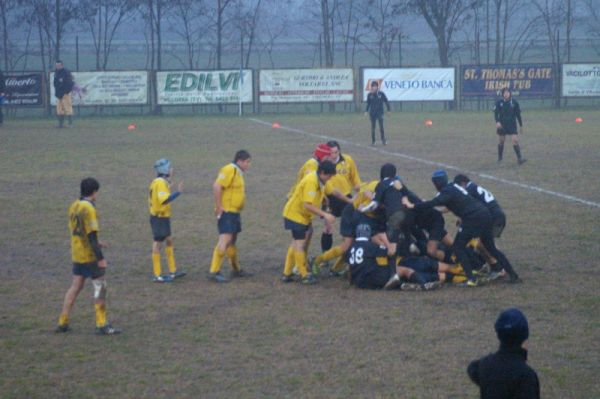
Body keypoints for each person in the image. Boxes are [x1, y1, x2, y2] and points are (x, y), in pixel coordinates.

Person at [403, 170, 520, 287]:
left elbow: (434, 202)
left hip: (472, 218)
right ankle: (513, 274)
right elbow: (443, 202)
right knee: (492, 248)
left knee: (458, 247)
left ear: (436, 184)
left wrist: (412, 205)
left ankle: (471, 279)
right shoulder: (452, 187)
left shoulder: (446, 191)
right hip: (484, 214)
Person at [56, 178, 121, 335]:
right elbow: (91, 235)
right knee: (100, 288)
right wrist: (101, 258)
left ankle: (63, 322)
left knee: (75, 287)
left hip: (77, 253)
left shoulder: (74, 206)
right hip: (90, 256)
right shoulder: (89, 209)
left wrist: (98, 243)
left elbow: (80, 231)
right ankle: (101, 324)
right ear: (94, 192)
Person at [282, 161, 336, 284]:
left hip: (299, 215)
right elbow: (307, 205)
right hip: (296, 215)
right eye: (329, 176)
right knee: (300, 244)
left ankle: (287, 273)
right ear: (322, 173)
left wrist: (324, 199)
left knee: (296, 243)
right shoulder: (312, 181)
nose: (330, 179)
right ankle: (304, 274)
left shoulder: (318, 180)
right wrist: (325, 214)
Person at [468, 308, 540, 399]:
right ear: (525, 335)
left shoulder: (485, 365)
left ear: (498, 334)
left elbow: (472, 368)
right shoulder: (526, 375)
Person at [209, 150, 252, 283]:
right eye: (247, 162)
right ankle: (214, 271)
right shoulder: (229, 169)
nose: (248, 165)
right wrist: (219, 206)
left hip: (234, 213)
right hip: (227, 212)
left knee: (232, 241)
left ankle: (236, 268)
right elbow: (217, 186)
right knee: (225, 239)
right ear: (239, 160)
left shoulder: (238, 172)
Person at [320, 140, 361, 271]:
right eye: (331, 152)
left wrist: (359, 192)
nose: (333, 155)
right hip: (329, 199)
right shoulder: (324, 164)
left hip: (346, 198)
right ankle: (324, 257)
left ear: (339, 151)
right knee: (327, 227)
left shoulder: (348, 160)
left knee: (347, 231)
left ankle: (345, 259)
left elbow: (355, 179)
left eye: (336, 152)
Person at [148, 159, 185, 283]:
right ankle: (157, 274)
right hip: (159, 217)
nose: (171, 170)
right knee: (157, 243)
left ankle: (173, 270)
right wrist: (178, 192)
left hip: (163, 216)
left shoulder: (160, 182)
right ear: (164, 170)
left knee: (169, 240)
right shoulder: (160, 183)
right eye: (170, 167)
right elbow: (164, 200)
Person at [347, 224, 396, 289]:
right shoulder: (372, 246)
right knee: (389, 259)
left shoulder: (351, 247)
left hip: (358, 282)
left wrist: (351, 281)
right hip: (372, 281)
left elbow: (349, 268)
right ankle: (392, 277)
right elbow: (390, 253)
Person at [495, 88, 526, 165]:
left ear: (510, 94)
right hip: (502, 125)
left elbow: (518, 115)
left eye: (507, 92)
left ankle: (520, 159)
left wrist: (521, 125)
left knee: (515, 141)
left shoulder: (514, 102)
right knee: (501, 141)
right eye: (504, 93)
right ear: (502, 94)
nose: (506, 94)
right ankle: (500, 158)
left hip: (512, 125)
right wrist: (497, 122)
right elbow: (496, 114)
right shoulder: (499, 102)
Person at [365, 81, 390, 146]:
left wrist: (388, 110)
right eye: (373, 86)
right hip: (372, 113)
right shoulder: (369, 95)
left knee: (381, 127)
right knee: (373, 128)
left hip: (380, 113)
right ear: (371, 87)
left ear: (377, 87)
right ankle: (373, 141)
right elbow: (368, 104)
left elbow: (386, 101)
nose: (374, 87)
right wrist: (366, 111)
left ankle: (383, 140)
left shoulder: (381, 94)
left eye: (375, 86)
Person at [53, 60, 75, 128]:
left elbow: (70, 83)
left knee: (68, 108)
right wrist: (57, 92)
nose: (57, 67)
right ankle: (60, 124)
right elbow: (55, 83)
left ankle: (70, 124)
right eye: (56, 65)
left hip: (65, 94)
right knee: (59, 109)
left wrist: (66, 92)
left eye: (59, 65)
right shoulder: (56, 72)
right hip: (59, 94)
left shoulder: (66, 72)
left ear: (62, 65)